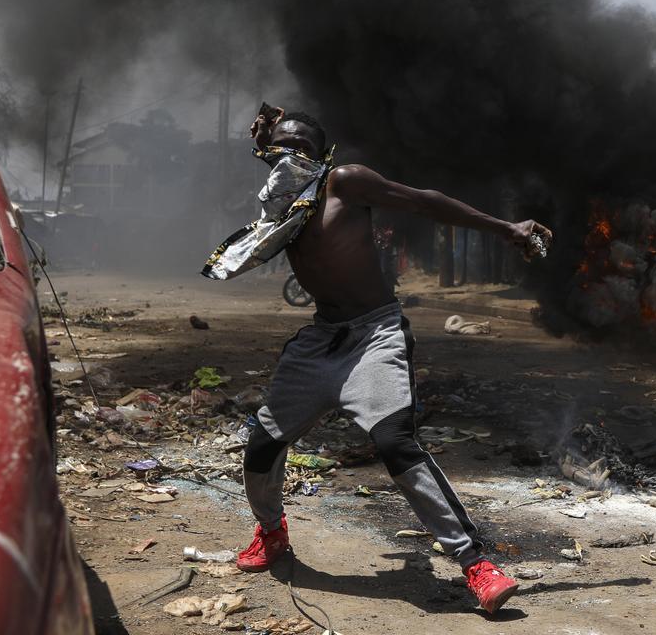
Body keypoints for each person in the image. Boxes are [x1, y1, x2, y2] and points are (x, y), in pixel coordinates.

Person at [232, 107, 551, 615]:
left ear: (322, 156)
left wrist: (504, 227)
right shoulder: (283, 201)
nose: (291, 154)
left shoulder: (344, 182)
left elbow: (424, 202)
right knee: (263, 444)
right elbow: (279, 167)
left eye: (302, 147)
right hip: (320, 341)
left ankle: (477, 566)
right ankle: (271, 534)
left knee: (395, 442)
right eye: (280, 146)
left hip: (374, 335)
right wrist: (268, 138)